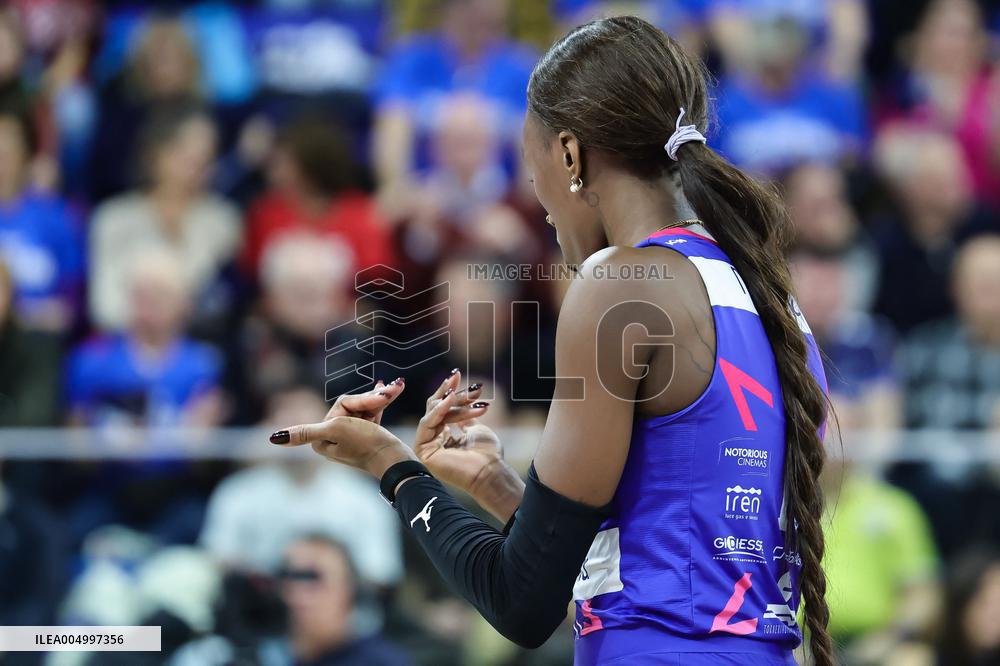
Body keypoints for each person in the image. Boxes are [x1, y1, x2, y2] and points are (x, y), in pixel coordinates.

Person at [271, 16, 834, 666]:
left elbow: (521, 602)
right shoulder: (767, 292)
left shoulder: (619, 286)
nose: (535, 198)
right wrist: (492, 484)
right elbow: (642, 558)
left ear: (570, 154)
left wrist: (391, 467)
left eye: (527, 163)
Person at [88, 104, 241, 332]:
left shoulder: (223, 221)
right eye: (183, 151)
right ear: (154, 153)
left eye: (205, 156)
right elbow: (105, 307)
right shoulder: (114, 217)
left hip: (200, 345)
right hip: (125, 344)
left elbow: (222, 303)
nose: (196, 163)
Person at [278, 535, 412, 666]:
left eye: (312, 578)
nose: (297, 596)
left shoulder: (381, 661)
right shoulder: (275, 654)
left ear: (348, 591)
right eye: (288, 577)